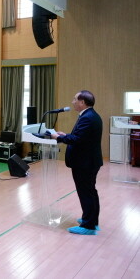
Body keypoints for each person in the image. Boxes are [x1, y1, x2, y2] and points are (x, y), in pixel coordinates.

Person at [51, 90, 103, 235]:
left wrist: (58, 137)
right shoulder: (91, 115)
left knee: (86, 193)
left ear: (82, 102)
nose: (73, 102)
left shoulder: (87, 117)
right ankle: (91, 221)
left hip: (85, 163)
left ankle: (88, 226)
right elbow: (81, 137)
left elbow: (77, 140)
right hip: (89, 161)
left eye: (75, 99)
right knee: (90, 192)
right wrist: (66, 135)